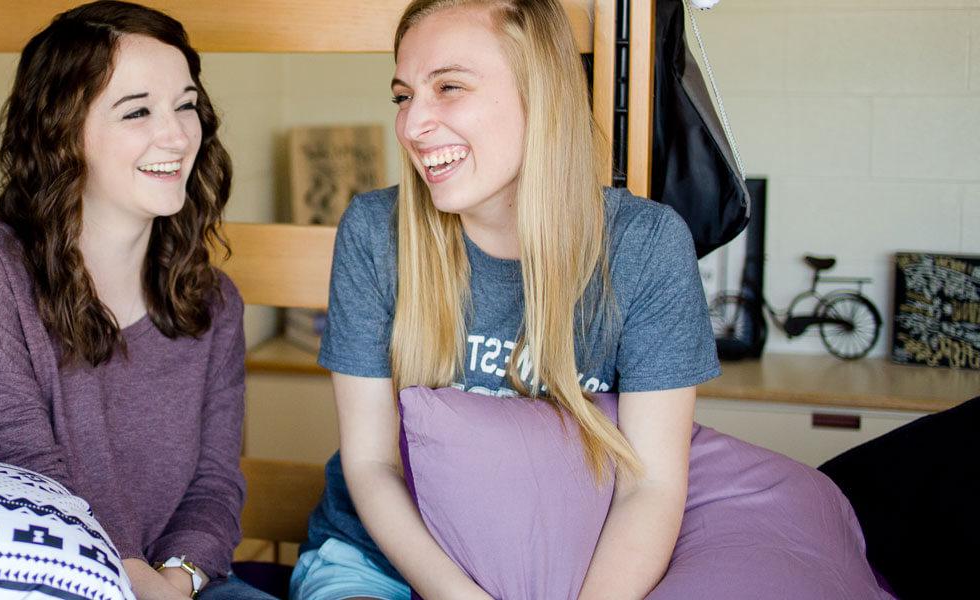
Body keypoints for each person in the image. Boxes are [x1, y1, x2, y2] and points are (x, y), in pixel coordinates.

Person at [292, 1, 882, 599]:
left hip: (565, 557)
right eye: (402, 95)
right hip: (380, 560)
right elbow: (371, 465)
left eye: (448, 87)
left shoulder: (644, 246)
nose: (413, 123)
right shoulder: (376, 231)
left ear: (540, 93)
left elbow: (648, 486)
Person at [0, 2, 268, 598]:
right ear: (62, 130)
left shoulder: (215, 301)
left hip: (188, 584)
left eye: (186, 105)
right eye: (136, 111)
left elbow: (216, 480)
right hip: (56, 575)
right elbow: (18, 459)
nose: (175, 135)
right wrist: (129, 575)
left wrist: (180, 578)